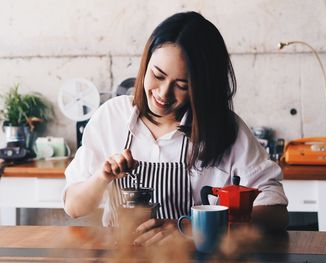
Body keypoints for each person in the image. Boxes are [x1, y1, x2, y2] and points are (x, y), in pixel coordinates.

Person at [64, 11, 288, 246]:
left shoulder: (226, 130)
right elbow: (73, 207)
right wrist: (102, 177)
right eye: (157, 75)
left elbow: (277, 213)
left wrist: (196, 228)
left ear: (204, 86)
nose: (163, 94)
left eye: (182, 85)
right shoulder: (111, 117)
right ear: (146, 62)